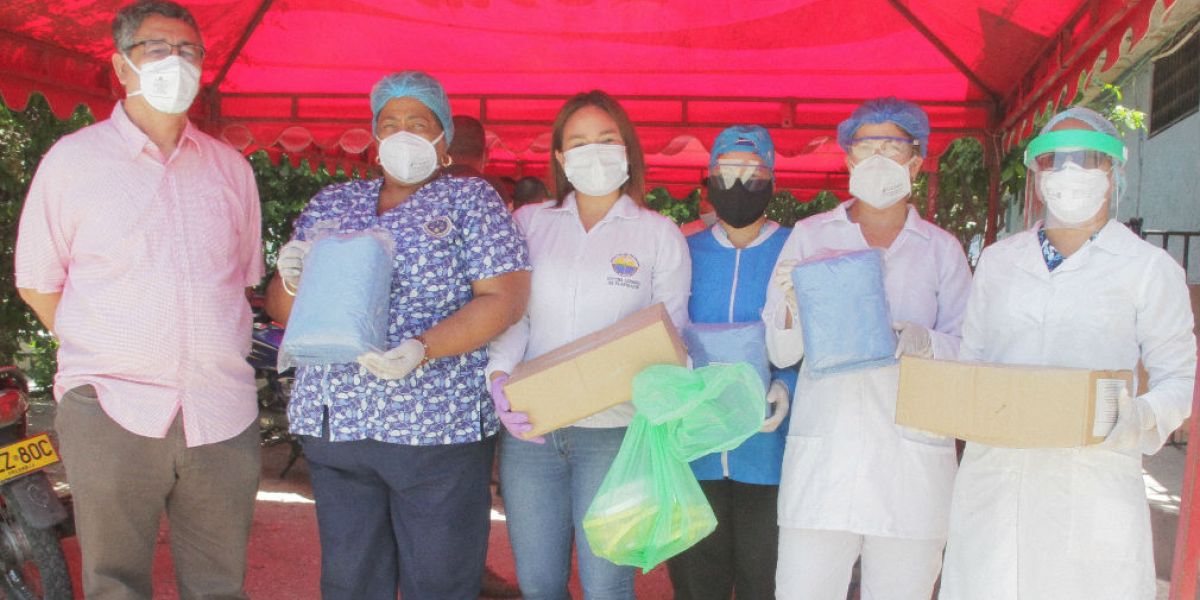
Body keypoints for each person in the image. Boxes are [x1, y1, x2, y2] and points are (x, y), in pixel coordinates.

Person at [14, 1, 263, 597]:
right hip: (111, 406)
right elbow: (36, 280)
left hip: (221, 411)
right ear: (122, 67)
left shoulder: (231, 170)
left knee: (219, 584)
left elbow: (243, 278)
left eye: (188, 51)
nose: (174, 62)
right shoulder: (73, 162)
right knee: (115, 584)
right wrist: (101, 350)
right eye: (156, 48)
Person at [263, 71, 531, 600]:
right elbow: (282, 311)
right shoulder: (335, 201)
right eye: (390, 123)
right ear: (375, 137)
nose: (402, 132)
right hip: (338, 424)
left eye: (418, 122)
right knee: (351, 579)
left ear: (443, 137)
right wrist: (292, 277)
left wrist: (423, 348)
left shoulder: (471, 201)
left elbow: (505, 298)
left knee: (439, 580)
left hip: (436, 428)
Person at [939, 107, 1196, 600]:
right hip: (996, 482)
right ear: (1038, 175)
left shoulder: (1148, 269)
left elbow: (1180, 379)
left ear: (1113, 172)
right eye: (1058, 161)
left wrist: (1139, 415)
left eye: (1089, 159)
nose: (1071, 174)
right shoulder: (998, 262)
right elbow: (971, 361)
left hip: (1092, 482)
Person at [485, 90, 691, 600]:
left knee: (607, 583)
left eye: (605, 140)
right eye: (577, 143)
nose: (592, 153)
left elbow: (672, 339)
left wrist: (667, 384)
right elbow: (516, 316)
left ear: (627, 151)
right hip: (532, 429)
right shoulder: (530, 223)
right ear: (560, 157)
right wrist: (498, 376)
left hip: (613, 434)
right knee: (538, 582)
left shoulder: (658, 235)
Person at [764, 97, 972, 599]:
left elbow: (971, 352)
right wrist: (793, 306)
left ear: (917, 162)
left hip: (911, 466)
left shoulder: (941, 249)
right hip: (825, 459)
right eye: (866, 146)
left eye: (893, 147)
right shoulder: (810, 237)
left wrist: (923, 342)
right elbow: (781, 349)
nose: (878, 158)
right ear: (847, 159)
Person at [665, 125, 796, 600]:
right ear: (709, 178)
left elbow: (816, 341)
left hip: (769, 450)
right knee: (698, 582)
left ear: (773, 180)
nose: (738, 183)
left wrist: (787, 387)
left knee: (768, 577)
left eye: (752, 171)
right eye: (726, 171)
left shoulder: (796, 251)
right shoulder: (683, 249)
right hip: (695, 448)